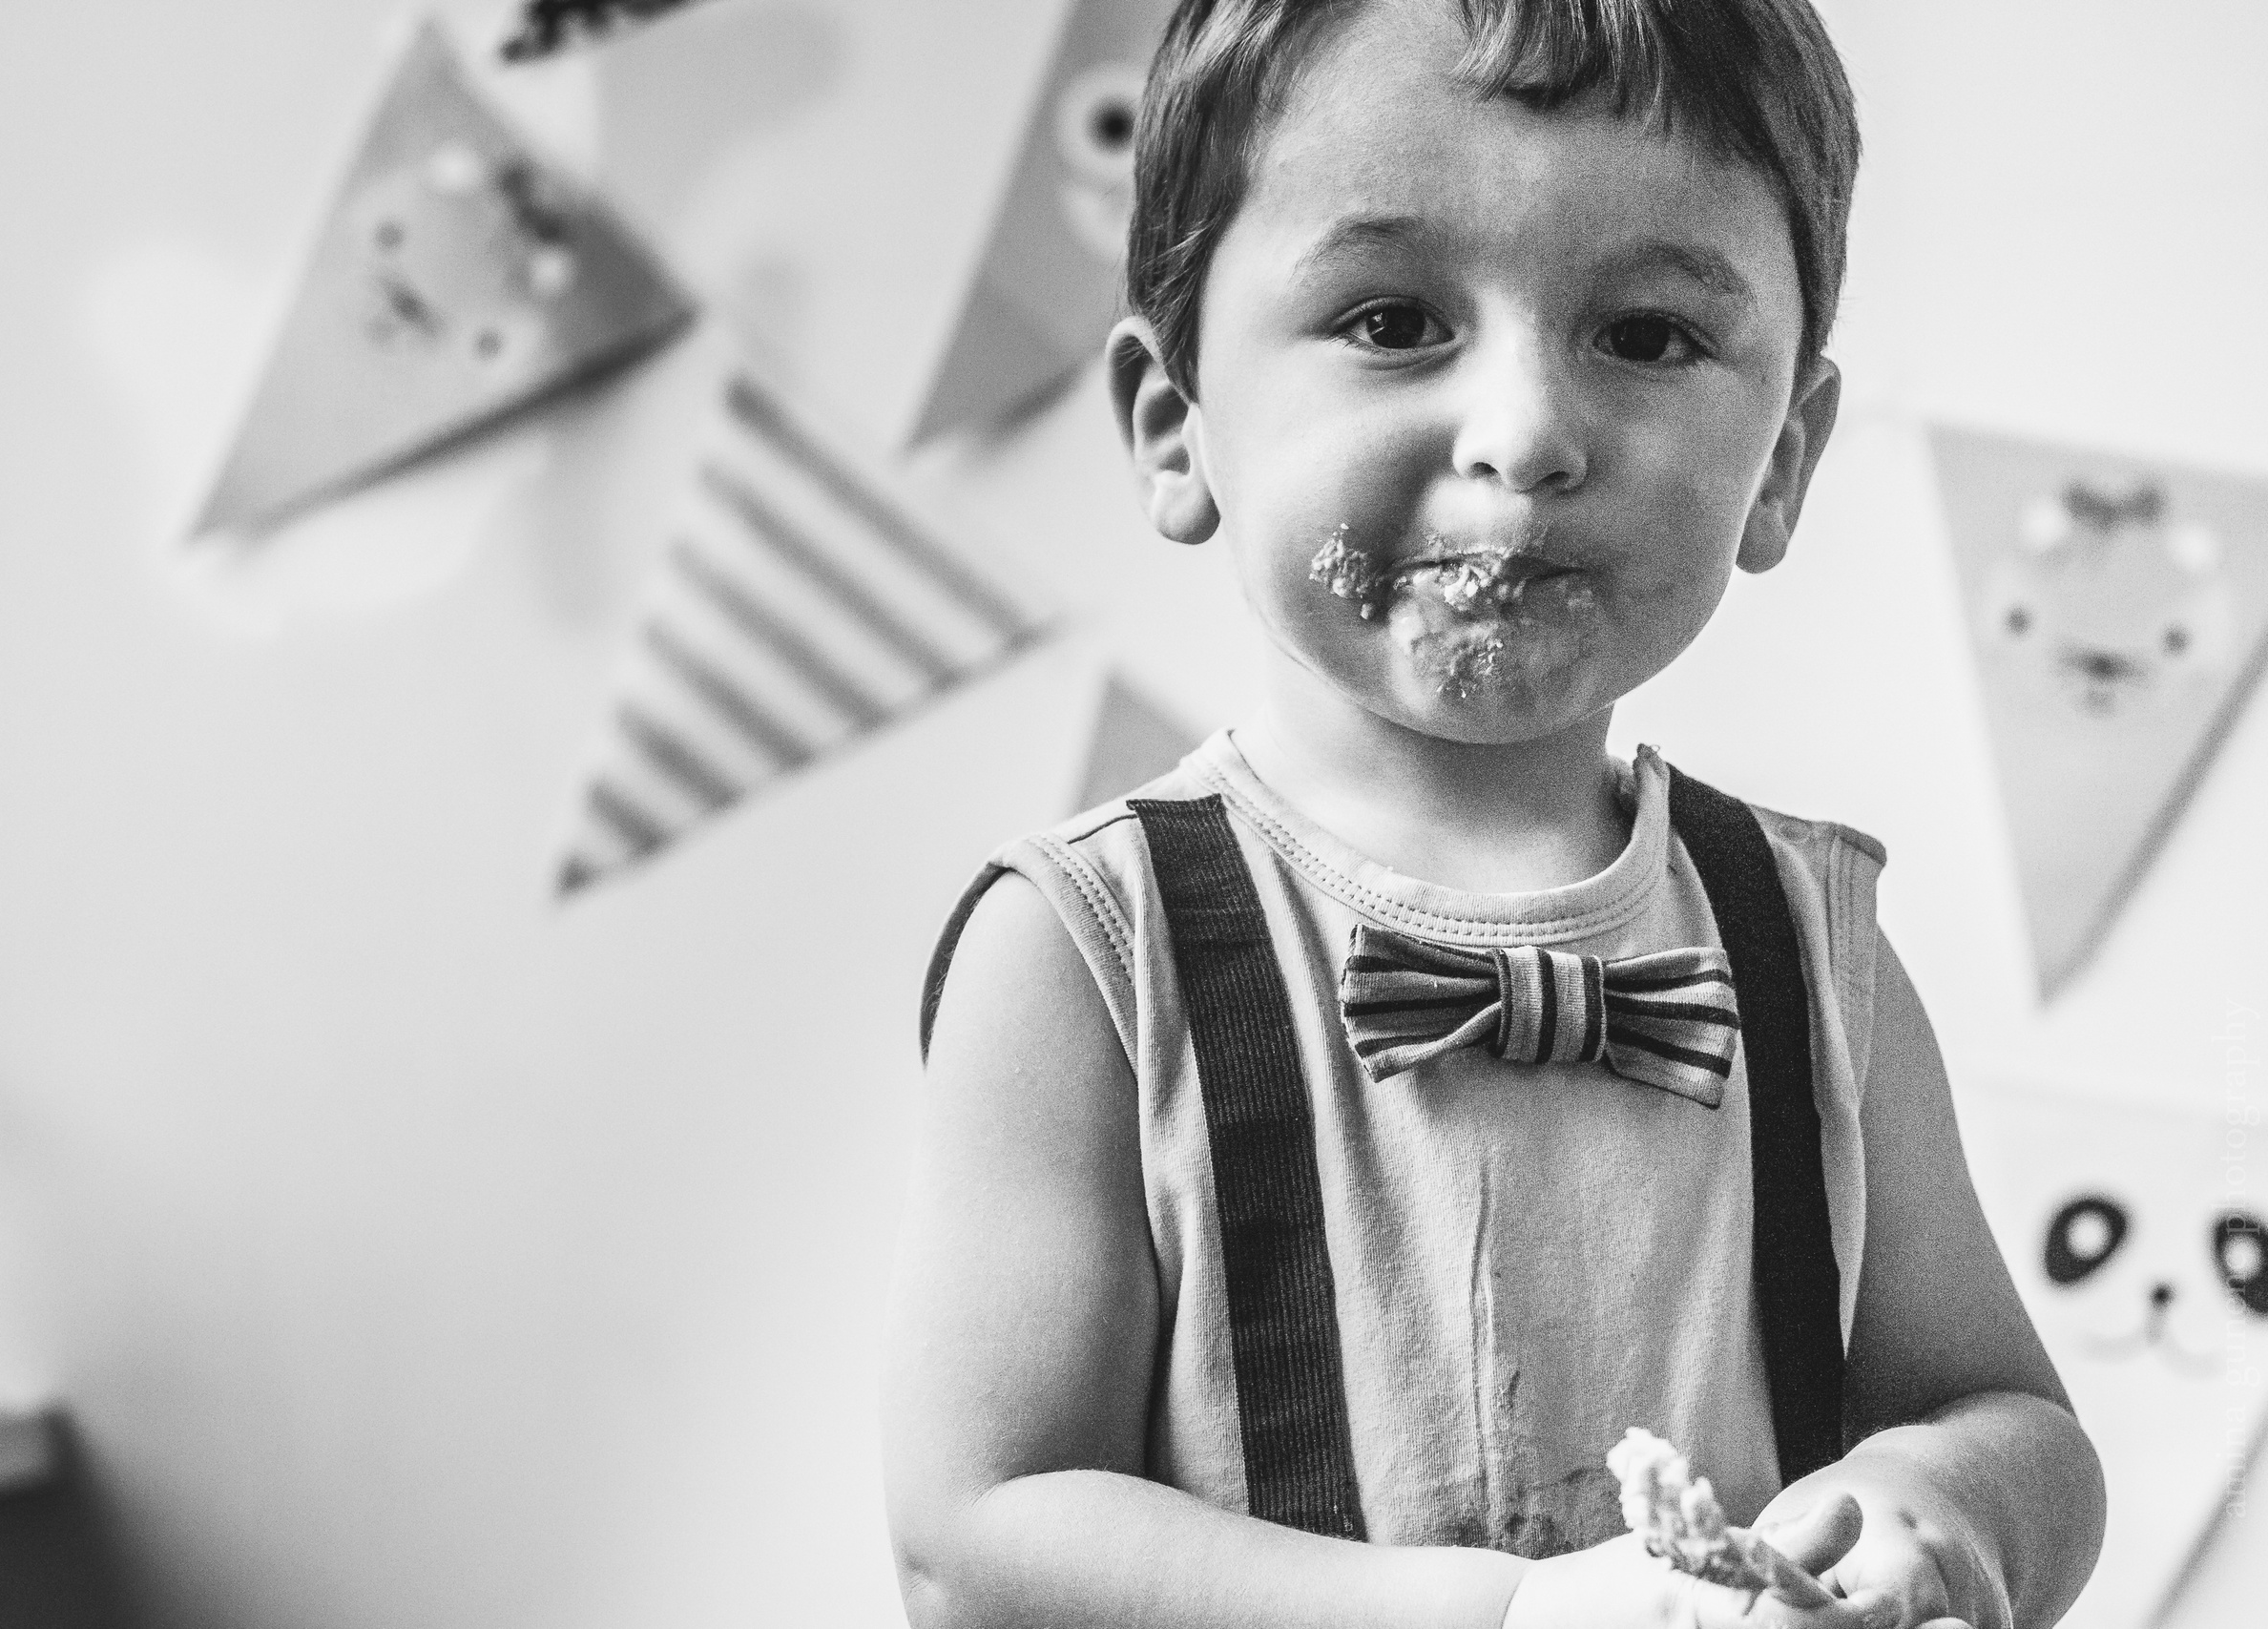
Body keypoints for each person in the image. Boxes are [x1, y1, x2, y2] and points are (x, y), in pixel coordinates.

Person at [883, 2, 2106, 1625]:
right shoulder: (1086, 955)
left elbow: (2015, 1422)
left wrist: (1936, 1503)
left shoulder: (1811, 948)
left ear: (1788, 459)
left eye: (1651, 336)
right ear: (1176, 426)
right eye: (1391, 319)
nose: (1526, 438)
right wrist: (1501, 1620)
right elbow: (978, 1529)